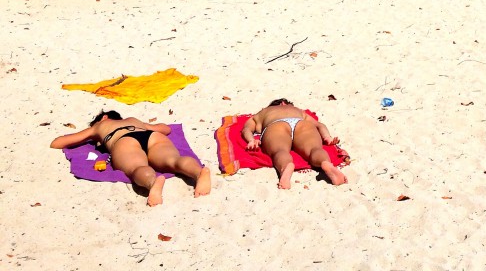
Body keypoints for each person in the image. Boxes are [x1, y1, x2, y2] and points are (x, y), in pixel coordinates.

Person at [50, 110, 211, 206]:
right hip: (152, 136)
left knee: (136, 168)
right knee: (174, 160)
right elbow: (165, 129)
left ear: (104, 117)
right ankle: (199, 172)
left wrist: (93, 134)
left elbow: (59, 143)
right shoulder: (133, 120)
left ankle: (153, 182)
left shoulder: (99, 126)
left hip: (124, 141)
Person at [241, 99, 347, 189]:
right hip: (301, 123)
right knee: (314, 149)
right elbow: (319, 125)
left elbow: (246, 129)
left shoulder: (263, 112)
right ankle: (325, 163)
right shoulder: (299, 111)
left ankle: (286, 166)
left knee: (279, 151)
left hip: (276, 125)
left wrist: (251, 140)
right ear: (284, 103)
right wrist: (327, 137)